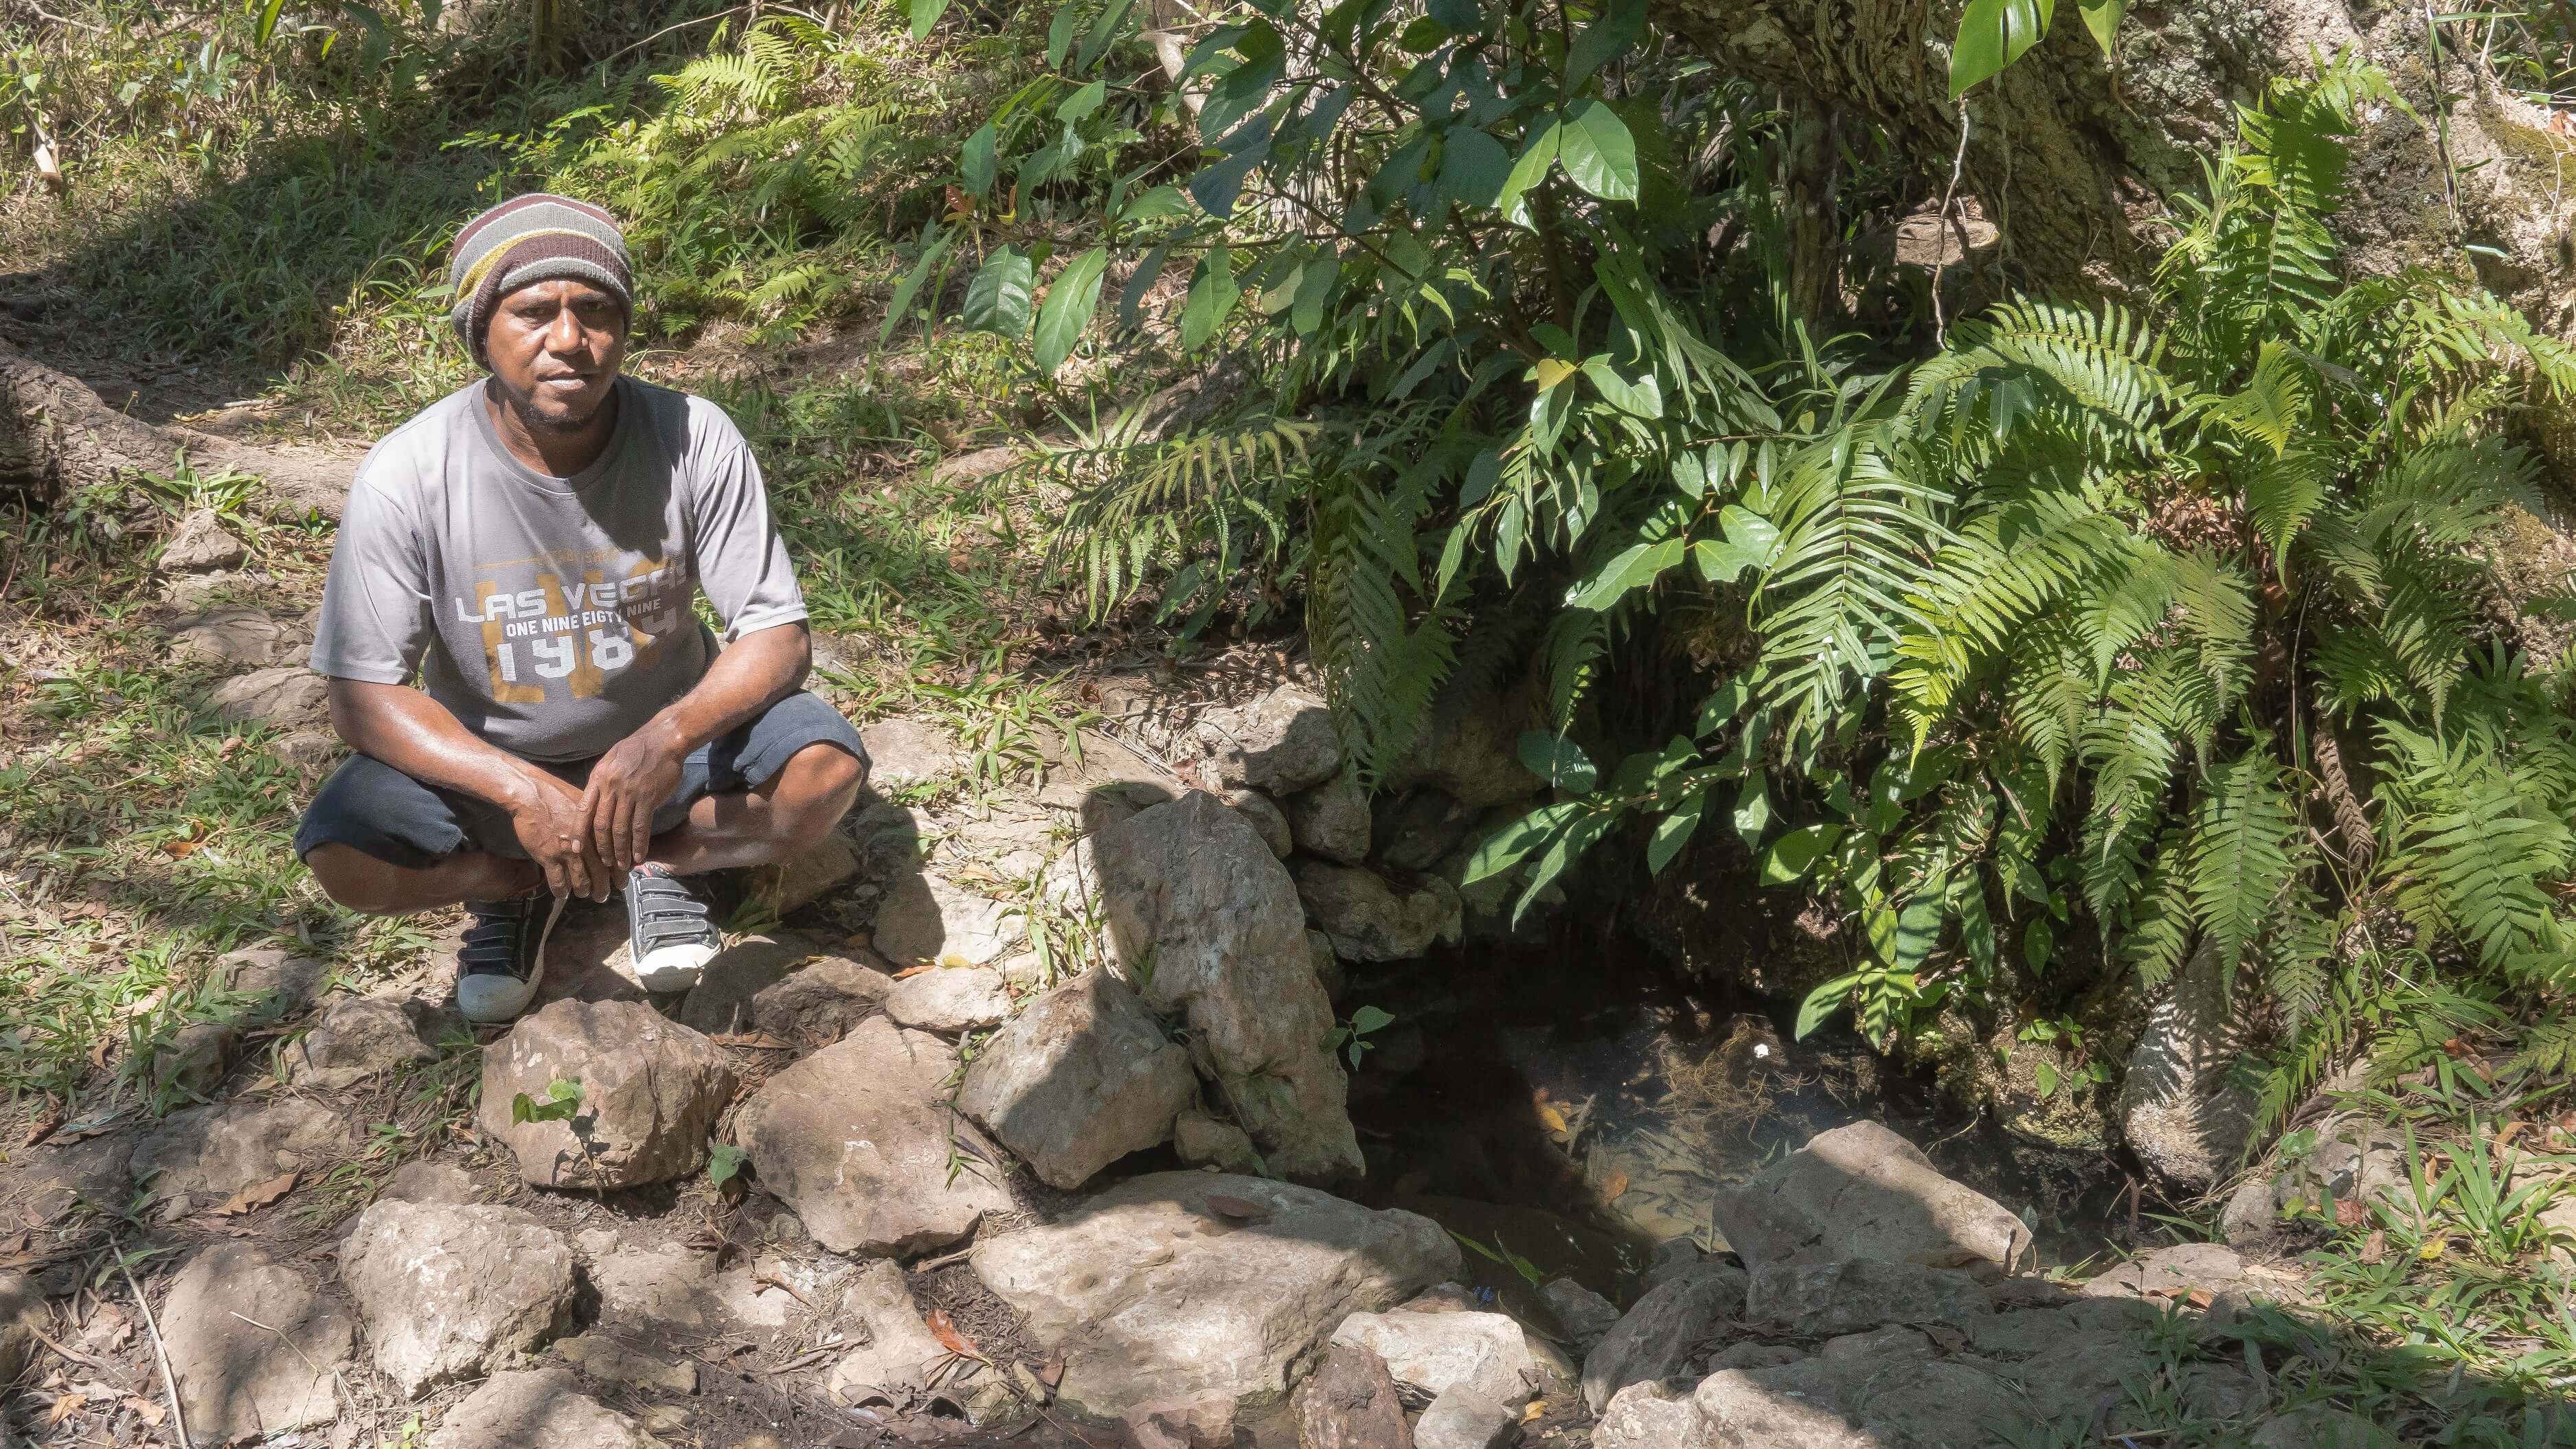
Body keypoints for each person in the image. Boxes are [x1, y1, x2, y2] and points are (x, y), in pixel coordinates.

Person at [293, 194, 867, 1023]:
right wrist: (522, 794)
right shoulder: (409, 470)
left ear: (624, 329)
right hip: (494, 766)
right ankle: (522, 887)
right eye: (533, 312)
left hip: (668, 760)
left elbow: (776, 632)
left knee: (824, 773)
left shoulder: (693, 435)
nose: (569, 339)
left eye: (595, 310)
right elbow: (363, 696)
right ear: (480, 331)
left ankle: (658, 866)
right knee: (344, 852)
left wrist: (664, 740)